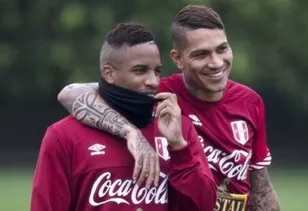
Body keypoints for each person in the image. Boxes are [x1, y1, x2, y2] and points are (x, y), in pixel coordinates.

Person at [58, 5, 280, 211]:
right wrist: (130, 132)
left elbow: (260, 186)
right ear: (178, 59)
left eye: (222, 49)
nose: (216, 62)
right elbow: (70, 93)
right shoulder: (157, 93)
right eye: (201, 54)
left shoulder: (251, 102)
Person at [31, 22, 217, 211]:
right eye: (140, 70)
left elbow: (204, 206)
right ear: (109, 74)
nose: (153, 81)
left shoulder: (180, 129)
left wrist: (179, 147)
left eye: (157, 71)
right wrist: (132, 133)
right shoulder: (64, 136)